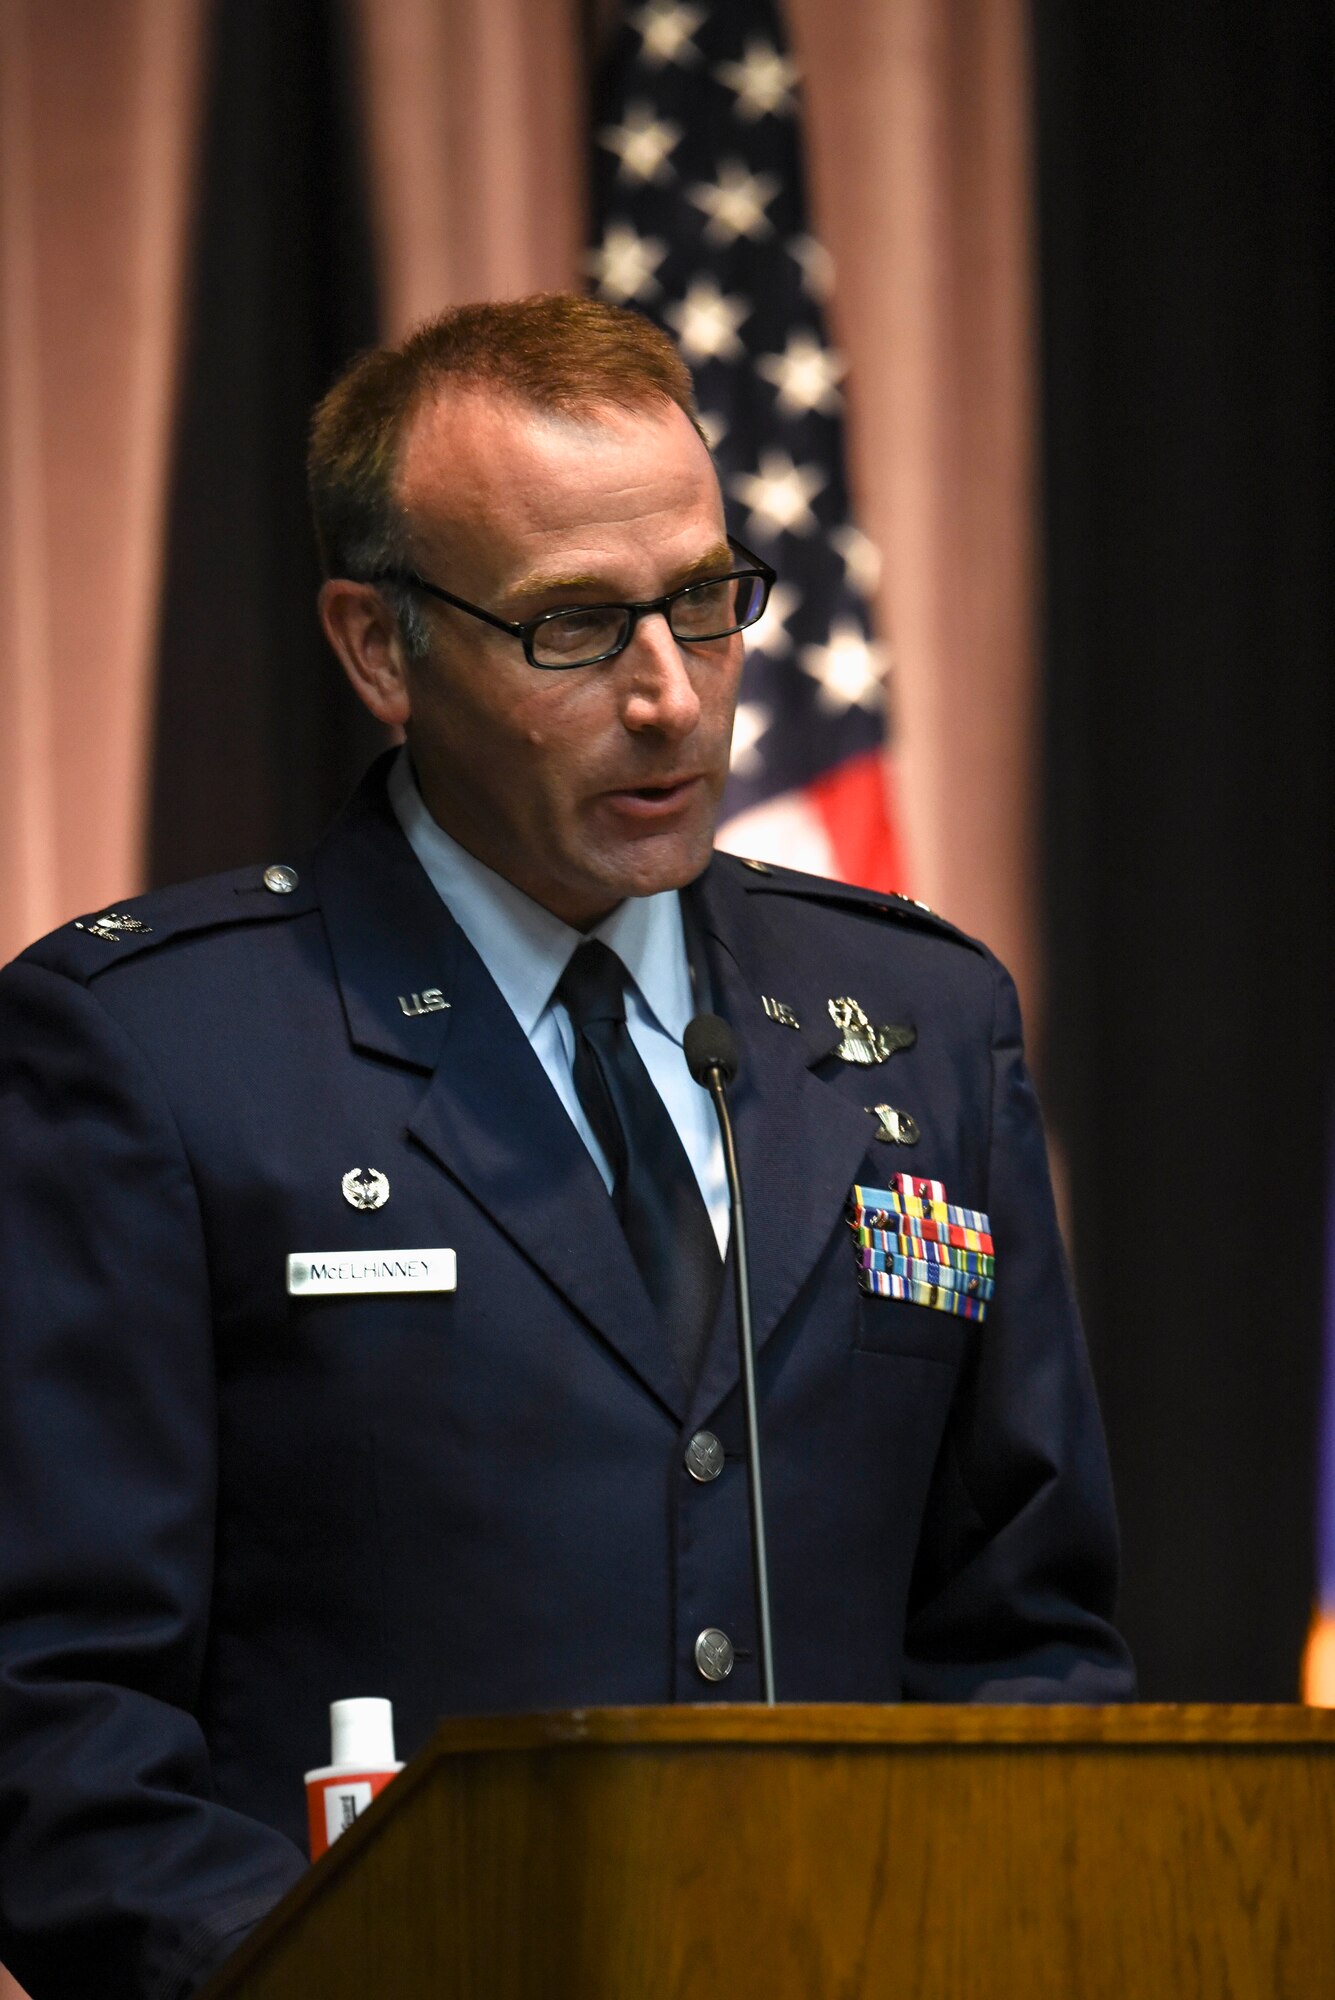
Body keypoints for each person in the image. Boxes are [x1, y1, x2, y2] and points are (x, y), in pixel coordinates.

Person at [0, 294, 1132, 2000]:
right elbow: (60, 1722)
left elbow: (1029, 1640)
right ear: (384, 649)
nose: (673, 699)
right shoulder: (160, 1050)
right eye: (575, 628)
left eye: (703, 601)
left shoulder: (921, 1017)